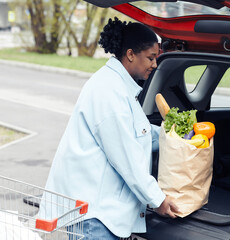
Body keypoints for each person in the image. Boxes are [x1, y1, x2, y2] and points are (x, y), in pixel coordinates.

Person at [40, 17, 179, 239]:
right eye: (151, 58)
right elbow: (127, 158)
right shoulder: (108, 92)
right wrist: (158, 200)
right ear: (131, 54)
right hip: (93, 216)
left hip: (99, 214)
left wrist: (174, 136)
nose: (154, 64)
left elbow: (139, 134)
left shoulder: (119, 88)